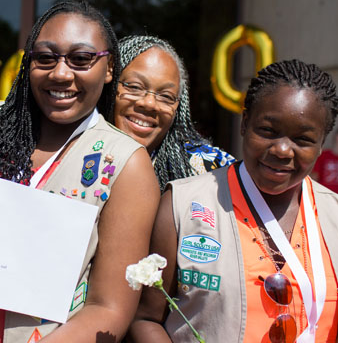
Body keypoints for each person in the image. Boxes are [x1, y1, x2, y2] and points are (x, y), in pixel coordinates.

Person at [0, 1, 160, 342]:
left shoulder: (126, 163)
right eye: (45, 58)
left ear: (109, 68)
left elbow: (109, 310)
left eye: (81, 59)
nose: (60, 73)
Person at [129, 59, 338, 342]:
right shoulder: (182, 205)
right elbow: (146, 319)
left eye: (303, 139)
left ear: (321, 144)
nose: (282, 150)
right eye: (267, 131)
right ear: (244, 124)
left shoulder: (333, 215)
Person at [114, 35, 235, 191]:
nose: (149, 103)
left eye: (166, 96)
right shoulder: (76, 147)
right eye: (135, 87)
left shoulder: (212, 169)